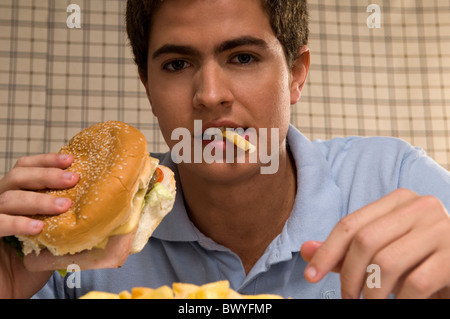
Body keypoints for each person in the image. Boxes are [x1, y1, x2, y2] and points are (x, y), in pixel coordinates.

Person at [1, 0, 449, 299]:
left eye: (243, 58)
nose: (210, 95)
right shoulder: (58, 248)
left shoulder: (395, 179)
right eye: (177, 65)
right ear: (149, 90)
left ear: (296, 74)